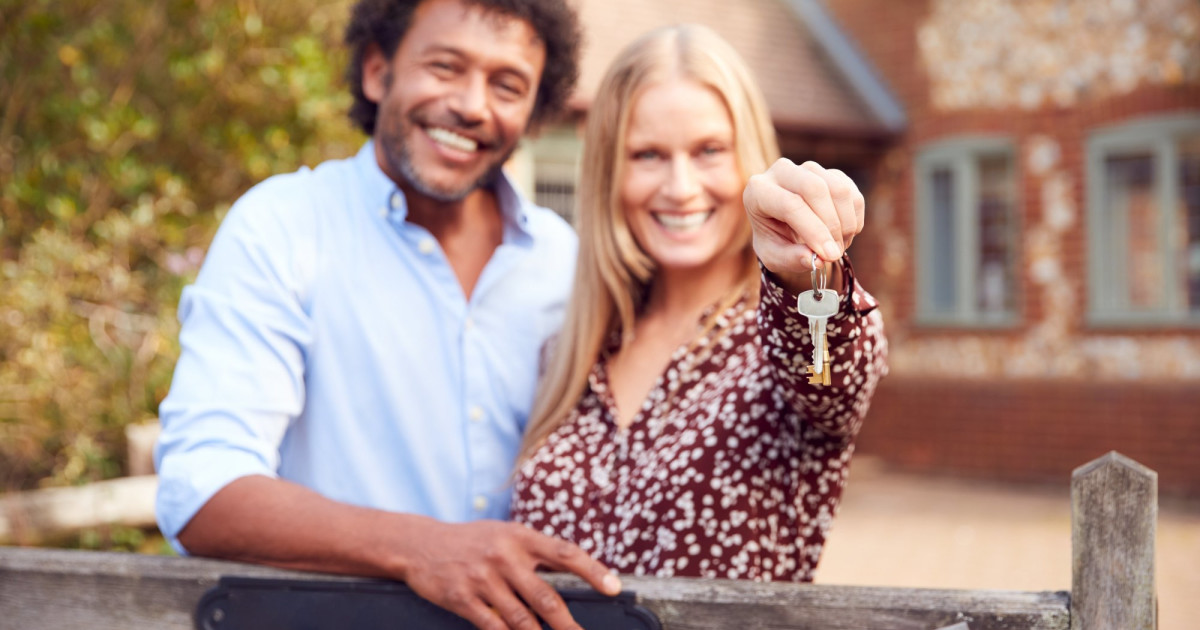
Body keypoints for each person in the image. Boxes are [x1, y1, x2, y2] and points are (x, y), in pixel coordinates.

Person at [153, 1, 620, 628]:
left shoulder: (565, 265)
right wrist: (421, 548)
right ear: (378, 71)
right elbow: (201, 492)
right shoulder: (283, 229)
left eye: (507, 85)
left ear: (533, 109)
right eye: (445, 66)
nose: (474, 105)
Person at [510, 24, 888, 582]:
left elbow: (832, 372)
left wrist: (801, 274)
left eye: (709, 150)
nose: (681, 186)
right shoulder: (568, 349)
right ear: (609, 173)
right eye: (647, 155)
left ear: (749, 160)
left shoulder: (782, 338)